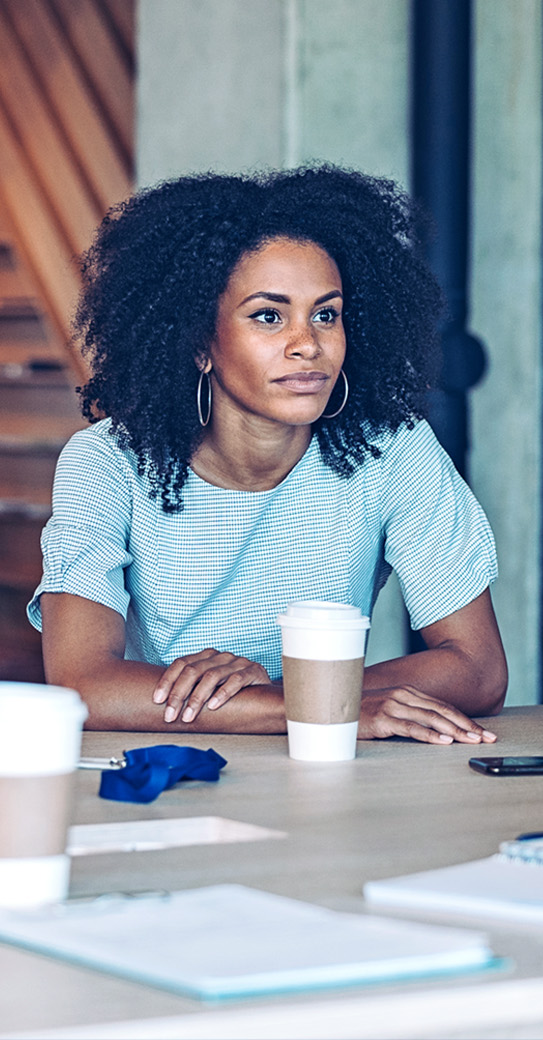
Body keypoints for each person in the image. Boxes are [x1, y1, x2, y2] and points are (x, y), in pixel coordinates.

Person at [32, 166, 508, 745]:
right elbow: (82, 683)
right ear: (200, 343)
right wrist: (315, 706)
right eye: (268, 315)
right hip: (168, 773)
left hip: (322, 772)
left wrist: (292, 699)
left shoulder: (392, 451)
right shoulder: (107, 463)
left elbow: (478, 667)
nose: (308, 343)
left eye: (326, 314)